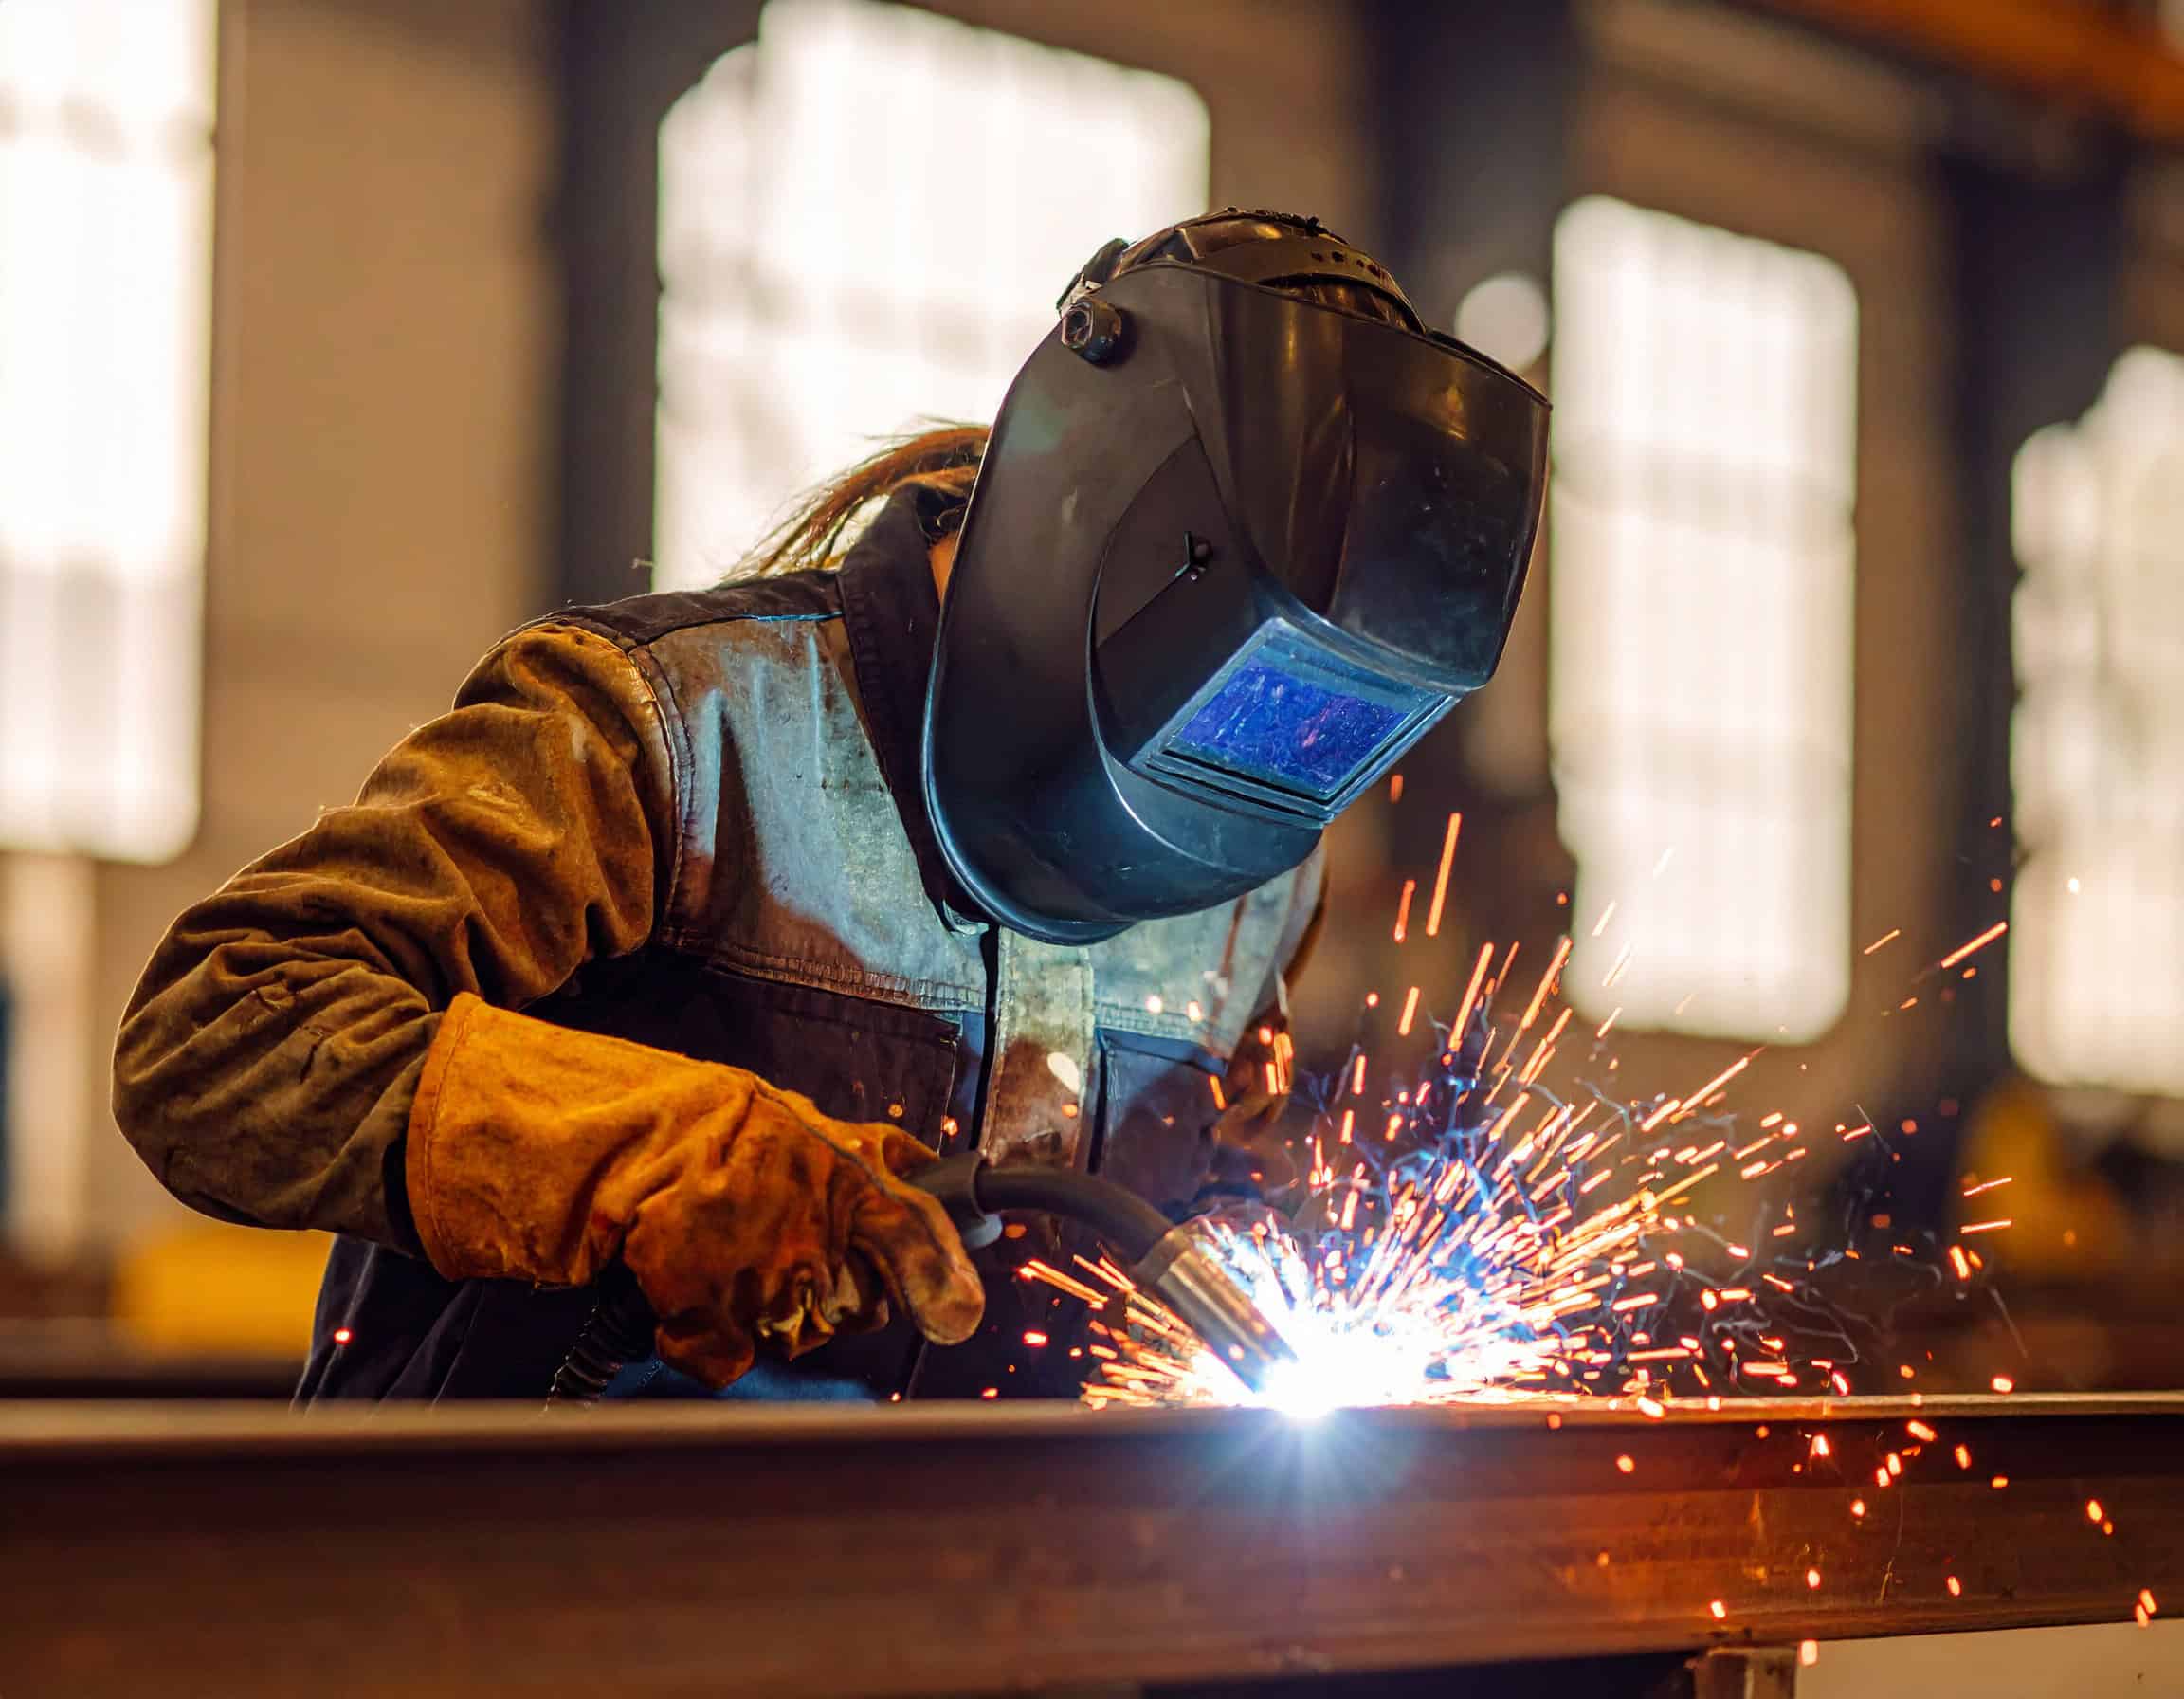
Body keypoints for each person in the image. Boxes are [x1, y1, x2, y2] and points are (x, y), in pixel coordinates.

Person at [112, 210, 1547, 1402]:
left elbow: (1187, 1220)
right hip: (527, 1597)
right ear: (1106, 533)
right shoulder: (674, 726)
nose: (1262, 759)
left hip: (971, 1615)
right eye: (1246, 680)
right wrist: (633, 1152)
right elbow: (216, 1030)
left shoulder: (1261, 871)